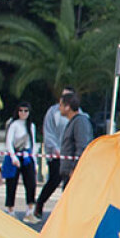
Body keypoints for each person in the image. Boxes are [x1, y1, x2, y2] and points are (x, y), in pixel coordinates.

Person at [34, 90, 92, 216]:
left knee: (71, 209)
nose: (58, 108)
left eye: (61, 105)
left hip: (74, 173)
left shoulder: (80, 122)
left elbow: (82, 147)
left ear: (68, 107)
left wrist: (75, 169)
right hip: (67, 172)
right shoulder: (73, 122)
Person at [33, 89, 72, 219]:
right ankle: (40, 203)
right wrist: (54, 148)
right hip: (56, 153)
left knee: (69, 182)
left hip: (70, 155)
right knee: (54, 180)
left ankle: (65, 211)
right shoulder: (53, 112)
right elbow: (48, 131)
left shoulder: (78, 114)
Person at [2, 101, 38, 218]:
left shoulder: (31, 126)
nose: (23, 113)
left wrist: (33, 160)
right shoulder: (13, 124)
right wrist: (13, 157)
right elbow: (9, 142)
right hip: (15, 155)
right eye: (21, 111)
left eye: (26, 111)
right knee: (11, 183)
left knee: (31, 183)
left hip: (27, 156)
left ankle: (30, 209)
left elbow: (33, 143)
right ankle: (10, 209)